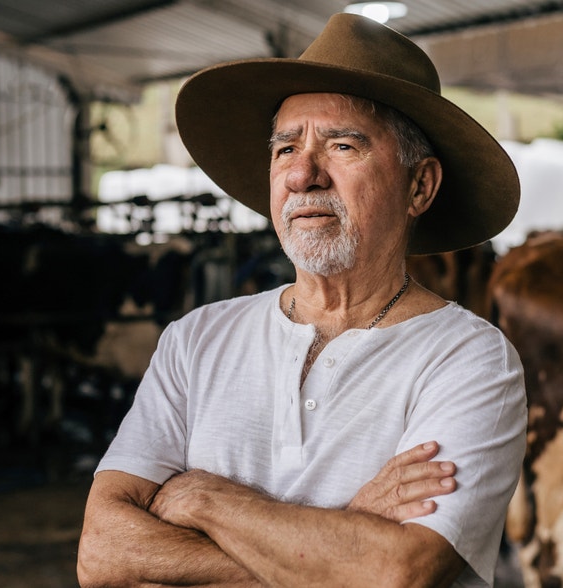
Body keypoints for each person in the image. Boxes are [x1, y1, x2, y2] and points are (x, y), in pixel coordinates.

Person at [77, 12, 526, 588]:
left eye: (342, 145)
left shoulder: (469, 360)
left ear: (420, 186)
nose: (303, 175)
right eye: (286, 149)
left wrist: (205, 500)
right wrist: (347, 531)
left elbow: (395, 571)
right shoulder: (195, 340)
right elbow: (102, 553)